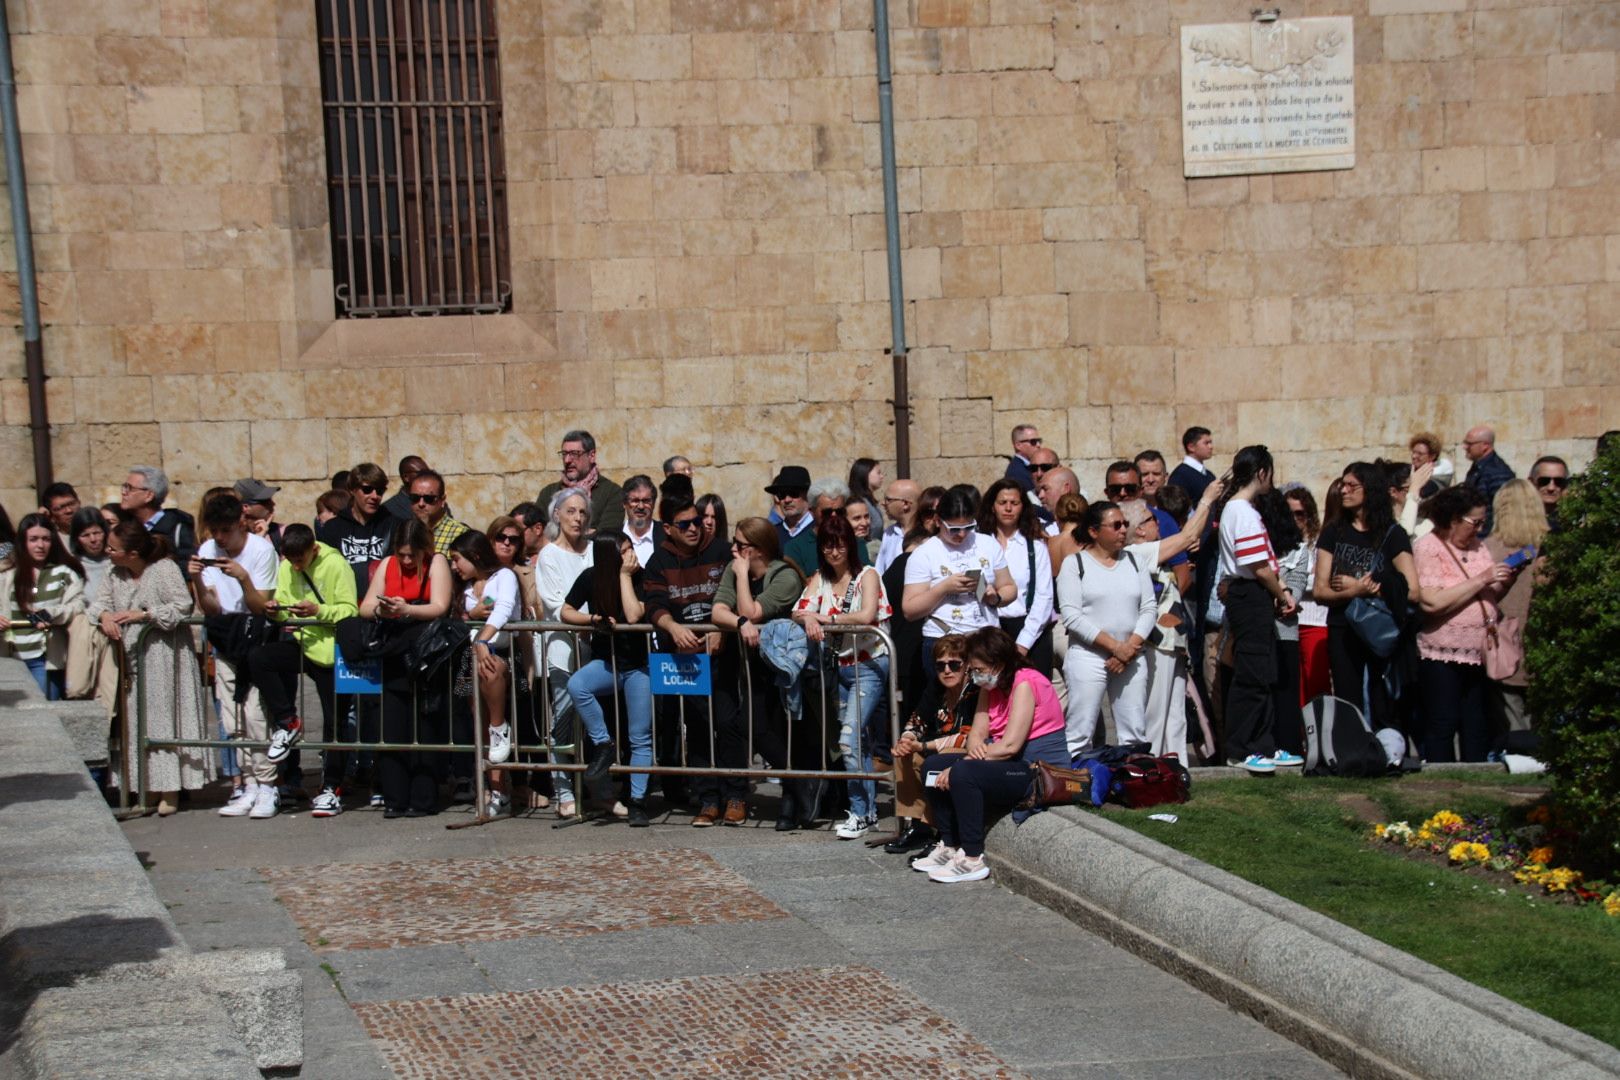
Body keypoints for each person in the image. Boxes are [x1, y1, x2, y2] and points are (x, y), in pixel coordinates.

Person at [911, 627, 1068, 884]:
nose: (975, 675)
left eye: (979, 669)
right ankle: (949, 842)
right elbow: (977, 732)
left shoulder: (1025, 683)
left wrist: (965, 762)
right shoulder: (989, 686)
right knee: (933, 766)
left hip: (1034, 769)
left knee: (963, 772)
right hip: (1006, 761)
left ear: (999, 663)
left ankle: (973, 857)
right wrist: (972, 752)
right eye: (972, 670)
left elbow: (1010, 746)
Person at [91, 520, 212, 815]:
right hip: (131, 659)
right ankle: (141, 786)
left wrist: (145, 614)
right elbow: (96, 604)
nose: (107, 551)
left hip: (165, 656)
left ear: (132, 552)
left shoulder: (164, 569)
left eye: (113, 548)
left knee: (164, 719)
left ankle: (169, 788)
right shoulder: (114, 573)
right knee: (135, 722)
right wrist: (106, 616)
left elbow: (183, 606)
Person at [245, 524, 358, 818]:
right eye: (292, 560)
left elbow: (349, 609)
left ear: (314, 549)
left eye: (301, 560)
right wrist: (275, 609)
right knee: (260, 658)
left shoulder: (335, 563)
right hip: (302, 642)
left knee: (335, 723)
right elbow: (283, 607)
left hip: (332, 651)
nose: (296, 566)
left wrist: (318, 611)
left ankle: (332, 788)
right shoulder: (287, 566)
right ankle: (288, 721)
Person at [794, 511, 891, 840]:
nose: (834, 552)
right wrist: (809, 618)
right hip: (842, 668)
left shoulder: (867, 575)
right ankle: (868, 810)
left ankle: (859, 810)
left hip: (870, 664)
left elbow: (867, 615)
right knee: (858, 742)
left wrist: (823, 618)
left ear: (850, 546)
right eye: (827, 547)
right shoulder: (819, 578)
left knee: (848, 740)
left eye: (839, 546)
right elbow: (799, 608)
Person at [709, 517, 806, 828]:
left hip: (777, 669)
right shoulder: (735, 567)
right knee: (746, 724)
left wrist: (740, 578)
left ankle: (801, 783)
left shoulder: (785, 576)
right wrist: (739, 623)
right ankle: (799, 784)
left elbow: (752, 611)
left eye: (741, 546)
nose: (735, 551)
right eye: (734, 545)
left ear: (759, 549)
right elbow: (718, 611)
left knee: (762, 728)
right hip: (745, 665)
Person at [189, 493, 281, 818]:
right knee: (232, 718)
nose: (219, 538)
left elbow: (262, 607)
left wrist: (242, 577)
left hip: (256, 637)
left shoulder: (262, 551)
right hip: (225, 636)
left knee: (256, 716)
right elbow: (211, 607)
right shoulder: (208, 550)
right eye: (214, 531)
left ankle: (269, 786)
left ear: (240, 523)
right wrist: (198, 579)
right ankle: (250, 785)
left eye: (225, 530)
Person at [1214, 446, 1305, 773]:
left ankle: (1263, 744)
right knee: (1251, 674)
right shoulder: (1242, 511)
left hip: (1253, 594)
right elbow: (1258, 565)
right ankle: (1242, 748)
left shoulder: (1239, 509)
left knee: (1262, 672)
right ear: (1262, 472)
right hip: (1249, 594)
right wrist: (1281, 593)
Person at [643, 480, 729, 822]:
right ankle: (707, 798)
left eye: (696, 522)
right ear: (668, 528)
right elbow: (654, 603)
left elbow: (730, 593)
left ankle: (734, 793)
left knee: (728, 724)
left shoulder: (720, 551)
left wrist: (720, 628)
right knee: (696, 728)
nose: (694, 528)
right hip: (684, 660)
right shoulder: (659, 560)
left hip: (723, 655)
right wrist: (674, 627)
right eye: (684, 524)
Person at [1313, 461, 1420, 734]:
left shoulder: (1392, 534)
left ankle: (1387, 748)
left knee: (1382, 694)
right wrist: (1356, 590)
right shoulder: (1333, 532)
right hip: (1342, 626)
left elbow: (1413, 590)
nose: (1344, 491)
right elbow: (1320, 590)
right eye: (1342, 484)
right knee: (1348, 695)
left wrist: (1371, 586)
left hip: (1380, 626)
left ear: (1369, 490)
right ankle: (1354, 750)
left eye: (1352, 486)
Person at [357, 517, 454, 817]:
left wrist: (407, 608)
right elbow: (364, 606)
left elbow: (440, 605)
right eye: (403, 555)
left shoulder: (437, 563)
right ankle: (394, 798)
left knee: (424, 726)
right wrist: (383, 608)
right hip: (395, 653)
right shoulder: (388, 565)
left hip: (425, 653)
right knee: (393, 725)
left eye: (413, 555)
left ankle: (423, 798)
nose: (408, 560)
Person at [1413, 486, 1515, 762]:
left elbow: (1484, 596)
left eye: (1484, 522)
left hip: (1479, 650)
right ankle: (1441, 783)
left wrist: (1505, 581)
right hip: (1441, 651)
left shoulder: (1478, 547)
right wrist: (1482, 579)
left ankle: (1476, 779)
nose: (1480, 529)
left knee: (1476, 723)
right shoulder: (1428, 548)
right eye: (1475, 522)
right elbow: (1432, 603)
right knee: (1443, 721)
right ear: (1453, 519)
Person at [562, 535, 653, 826]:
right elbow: (565, 610)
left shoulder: (640, 576)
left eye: (631, 550)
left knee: (640, 738)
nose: (632, 556)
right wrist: (592, 620)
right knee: (578, 684)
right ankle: (603, 743)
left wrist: (625, 576)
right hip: (607, 664)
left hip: (637, 667)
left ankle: (637, 801)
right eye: (625, 552)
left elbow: (634, 614)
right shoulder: (591, 577)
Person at [1055, 501, 1156, 757]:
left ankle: (1134, 783)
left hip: (1131, 657)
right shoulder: (1074, 564)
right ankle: (1074, 783)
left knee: (1134, 729)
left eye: (1125, 524)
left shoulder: (1135, 560)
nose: (1123, 530)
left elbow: (1148, 608)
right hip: (1089, 656)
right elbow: (1072, 616)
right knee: (1080, 728)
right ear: (1093, 531)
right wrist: (1115, 648)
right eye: (1116, 525)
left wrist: (1129, 648)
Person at [447, 530, 520, 817]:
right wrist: (469, 617)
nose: (454, 566)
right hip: (468, 660)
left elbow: (502, 611)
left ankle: (501, 729)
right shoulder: (464, 588)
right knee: (479, 722)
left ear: (474, 556)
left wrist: (482, 639)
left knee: (491, 675)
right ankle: (495, 789)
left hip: (503, 654)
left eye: (457, 559)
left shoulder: (504, 577)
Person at [902, 486, 1015, 662]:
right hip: (943, 639)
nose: (961, 535)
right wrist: (944, 588)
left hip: (985, 637)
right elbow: (909, 610)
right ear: (938, 521)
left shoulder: (988, 544)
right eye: (954, 529)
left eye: (969, 527)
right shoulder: (924, 553)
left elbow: (1009, 587)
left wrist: (995, 597)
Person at [887, 633, 976, 855]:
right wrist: (907, 739)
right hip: (934, 746)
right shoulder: (936, 688)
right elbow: (917, 719)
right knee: (904, 753)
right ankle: (918, 826)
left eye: (954, 664)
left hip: (966, 749)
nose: (947, 670)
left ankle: (934, 828)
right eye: (941, 665)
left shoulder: (975, 692)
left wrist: (924, 746)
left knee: (943, 753)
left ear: (966, 666)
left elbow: (967, 736)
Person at [537, 487, 595, 818]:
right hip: (564, 649)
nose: (577, 518)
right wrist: (594, 620)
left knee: (595, 723)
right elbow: (557, 604)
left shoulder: (593, 552)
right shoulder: (549, 556)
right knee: (563, 721)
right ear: (557, 515)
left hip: (595, 648)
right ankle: (562, 791)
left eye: (582, 512)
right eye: (570, 511)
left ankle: (595, 788)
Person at [1483, 480, 1546, 753]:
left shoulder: (1487, 549)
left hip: (1502, 641)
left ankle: (1521, 758)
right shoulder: (1549, 547)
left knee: (1511, 713)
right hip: (1541, 640)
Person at [4, 513, 85, 699]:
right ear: (23, 541)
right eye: (33, 539)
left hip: (45, 657)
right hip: (12, 657)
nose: (40, 545)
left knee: (46, 712)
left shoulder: (64, 573)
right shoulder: (8, 574)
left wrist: (51, 613)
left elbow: (77, 605)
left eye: (46, 539)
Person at [977, 480, 1054, 672]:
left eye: (1015, 503)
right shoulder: (979, 545)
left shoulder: (1035, 547)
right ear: (992, 507)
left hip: (1029, 629)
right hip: (990, 629)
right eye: (1002, 503)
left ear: (1023, 507)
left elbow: (1043, 597)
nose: (1008, 508)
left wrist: (1023, 643)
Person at [1256, 489, 1308, 757]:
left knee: (1285, 695)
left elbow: (1298, 585)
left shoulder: (1298, 550)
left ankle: (1288, 748)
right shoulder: (1255, 548)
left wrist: (1285, 597)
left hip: (1285, 631)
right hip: (1258, 630)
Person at [1285, 486, 1332, 704]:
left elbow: (1325, 581)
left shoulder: (1319, 543)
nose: (1295, 519)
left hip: (1316, 621)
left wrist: (1295, 578)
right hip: (1290, 621)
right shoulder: (1281, 544)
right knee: (1294, 684)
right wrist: (1306, 577)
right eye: (1290, 513)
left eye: (1300, 513)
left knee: (1317, 681)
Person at [318, 463, 395, 593]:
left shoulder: (394, 525)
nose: (375, 496)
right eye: (367, 489)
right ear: (352, 489)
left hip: (382, 599)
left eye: (380, 491)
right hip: (344, 599)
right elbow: (326, 570)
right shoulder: (333, 527)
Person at [538, 429, 624, 534]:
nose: (567, 460)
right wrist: (589, 532)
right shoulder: (548, 493)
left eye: (574, 454)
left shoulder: (612, 493)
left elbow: (607, 536)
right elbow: (538, 535)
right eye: (564, 454)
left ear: (591, 456)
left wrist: (563, 534)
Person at [121, 465, 197, 567]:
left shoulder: (177, 529)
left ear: (149, 496)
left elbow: (186, 569)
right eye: (124, 487)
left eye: (130, 488)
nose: (124, 492)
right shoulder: (123, 525)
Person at [1462, 425, 1514, 535]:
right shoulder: (1478, 467)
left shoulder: (1498, 472)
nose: (1464, 447)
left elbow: (1503, 511)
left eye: (1469, 444)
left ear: (1485, 445)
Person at [408, 468, 467, 554]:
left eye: (429, 499)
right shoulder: (404, 531)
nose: (421, 504)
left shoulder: (460, 534)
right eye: (415, 498)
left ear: (442, 500)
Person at [875, 478, 920, 574]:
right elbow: (879, 571)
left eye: (888, 499)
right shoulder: (889, 533)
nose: (883, 503)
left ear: (906, 504)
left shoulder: (926, 536)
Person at [767, 466, 814, 554]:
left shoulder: (819, 529)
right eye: (782, 495)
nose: (787, 500)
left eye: (794, 493)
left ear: (808, 495)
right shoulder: (772, 534)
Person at [69, 507, 112, 603]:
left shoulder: (117, 562)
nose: (93, 539)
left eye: (97, 533)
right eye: (85, 535)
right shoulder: (72, 567)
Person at [620, 475, 660, 567]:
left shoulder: (666, 535)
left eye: (646, 501)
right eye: (635, 501)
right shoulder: (614, 537)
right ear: (624, 503)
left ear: (653, 503)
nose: (641, 506)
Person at [1169, 427, 1216, 504]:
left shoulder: (1209, 475)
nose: (1211, 447)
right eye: (1206, 443)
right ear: (1191, 447)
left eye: (1210, 443)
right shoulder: (1180, 475)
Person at [236, 478, 284, 553]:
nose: (273, 504)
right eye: (265, 501)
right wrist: (259, 539)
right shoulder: (231, 539)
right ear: (245, 507)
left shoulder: (281, 533)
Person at [1527, 455, 1569, 530]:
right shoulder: (1517, 519)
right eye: (1544, 481)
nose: (1551, 488)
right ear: (1531, 482)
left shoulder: (1573, 522)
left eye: (1558, 481)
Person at [383, 455, 429, 522]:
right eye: (421, 473)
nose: (427, 476)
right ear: (406, 477)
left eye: (428, 472)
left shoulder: (438, 502)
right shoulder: (387, 510)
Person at [847, 457, 886, 533]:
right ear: (865, 474)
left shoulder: (870, 501)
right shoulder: (858, 502)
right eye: (878, 473)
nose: (882, 476)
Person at [1409, 433, 1451, 498]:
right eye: (1413, 452)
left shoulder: (1435, 481)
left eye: (1420, 454)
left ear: (1432, 456)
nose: (1414, 456)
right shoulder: (1411, 471)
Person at [1004, 423, 1043, 492]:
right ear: (1018, 445)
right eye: (1033, 442)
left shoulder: (1027, 467)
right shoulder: (1016, 473)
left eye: (1039, 441)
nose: (1038, 445)